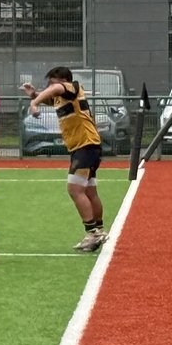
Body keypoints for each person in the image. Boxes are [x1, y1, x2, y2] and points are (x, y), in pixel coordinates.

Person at [23, 64, 109, 252]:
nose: (49, 87)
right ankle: (99, 230)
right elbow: (52, 98)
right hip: (86, 146)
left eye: (51, 82)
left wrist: (34, 102)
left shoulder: (72, 87)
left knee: (74, 189)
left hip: (85, 146)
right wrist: (33, 95)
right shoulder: (61, 98)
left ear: (62, 80)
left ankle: (92, 232)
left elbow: (56, 89)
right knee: (89, 191)